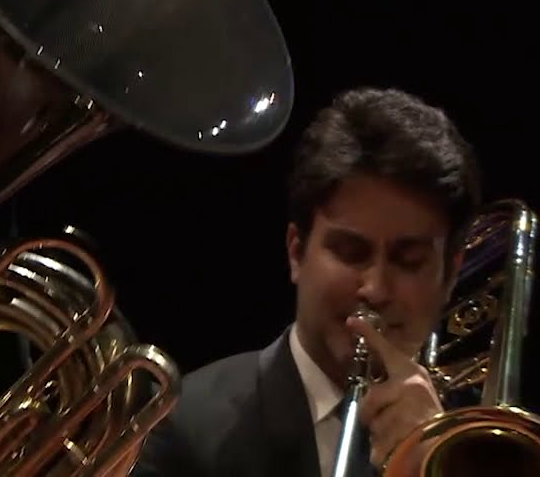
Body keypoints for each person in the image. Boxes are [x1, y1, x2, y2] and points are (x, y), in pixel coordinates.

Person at [130, 87, 482, 477]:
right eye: (350, 252)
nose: (376, 289)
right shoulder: (188, 427)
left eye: (409, 261)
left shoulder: (479, 449)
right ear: (297, 253)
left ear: (451, 274)